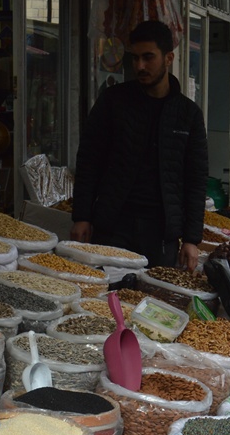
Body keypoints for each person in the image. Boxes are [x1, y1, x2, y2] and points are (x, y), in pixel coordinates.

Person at [71, 20, 207, 271]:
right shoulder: (113, 102)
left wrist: (191, 239)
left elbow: (196, 180)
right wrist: (82, 216)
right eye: (135, 58)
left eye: (148, 57)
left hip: (161, 234)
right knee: (106, 301)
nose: (140, 66)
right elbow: (89, 159)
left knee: (153, 303)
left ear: (168, 58)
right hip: (113, 225)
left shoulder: (188, 115)